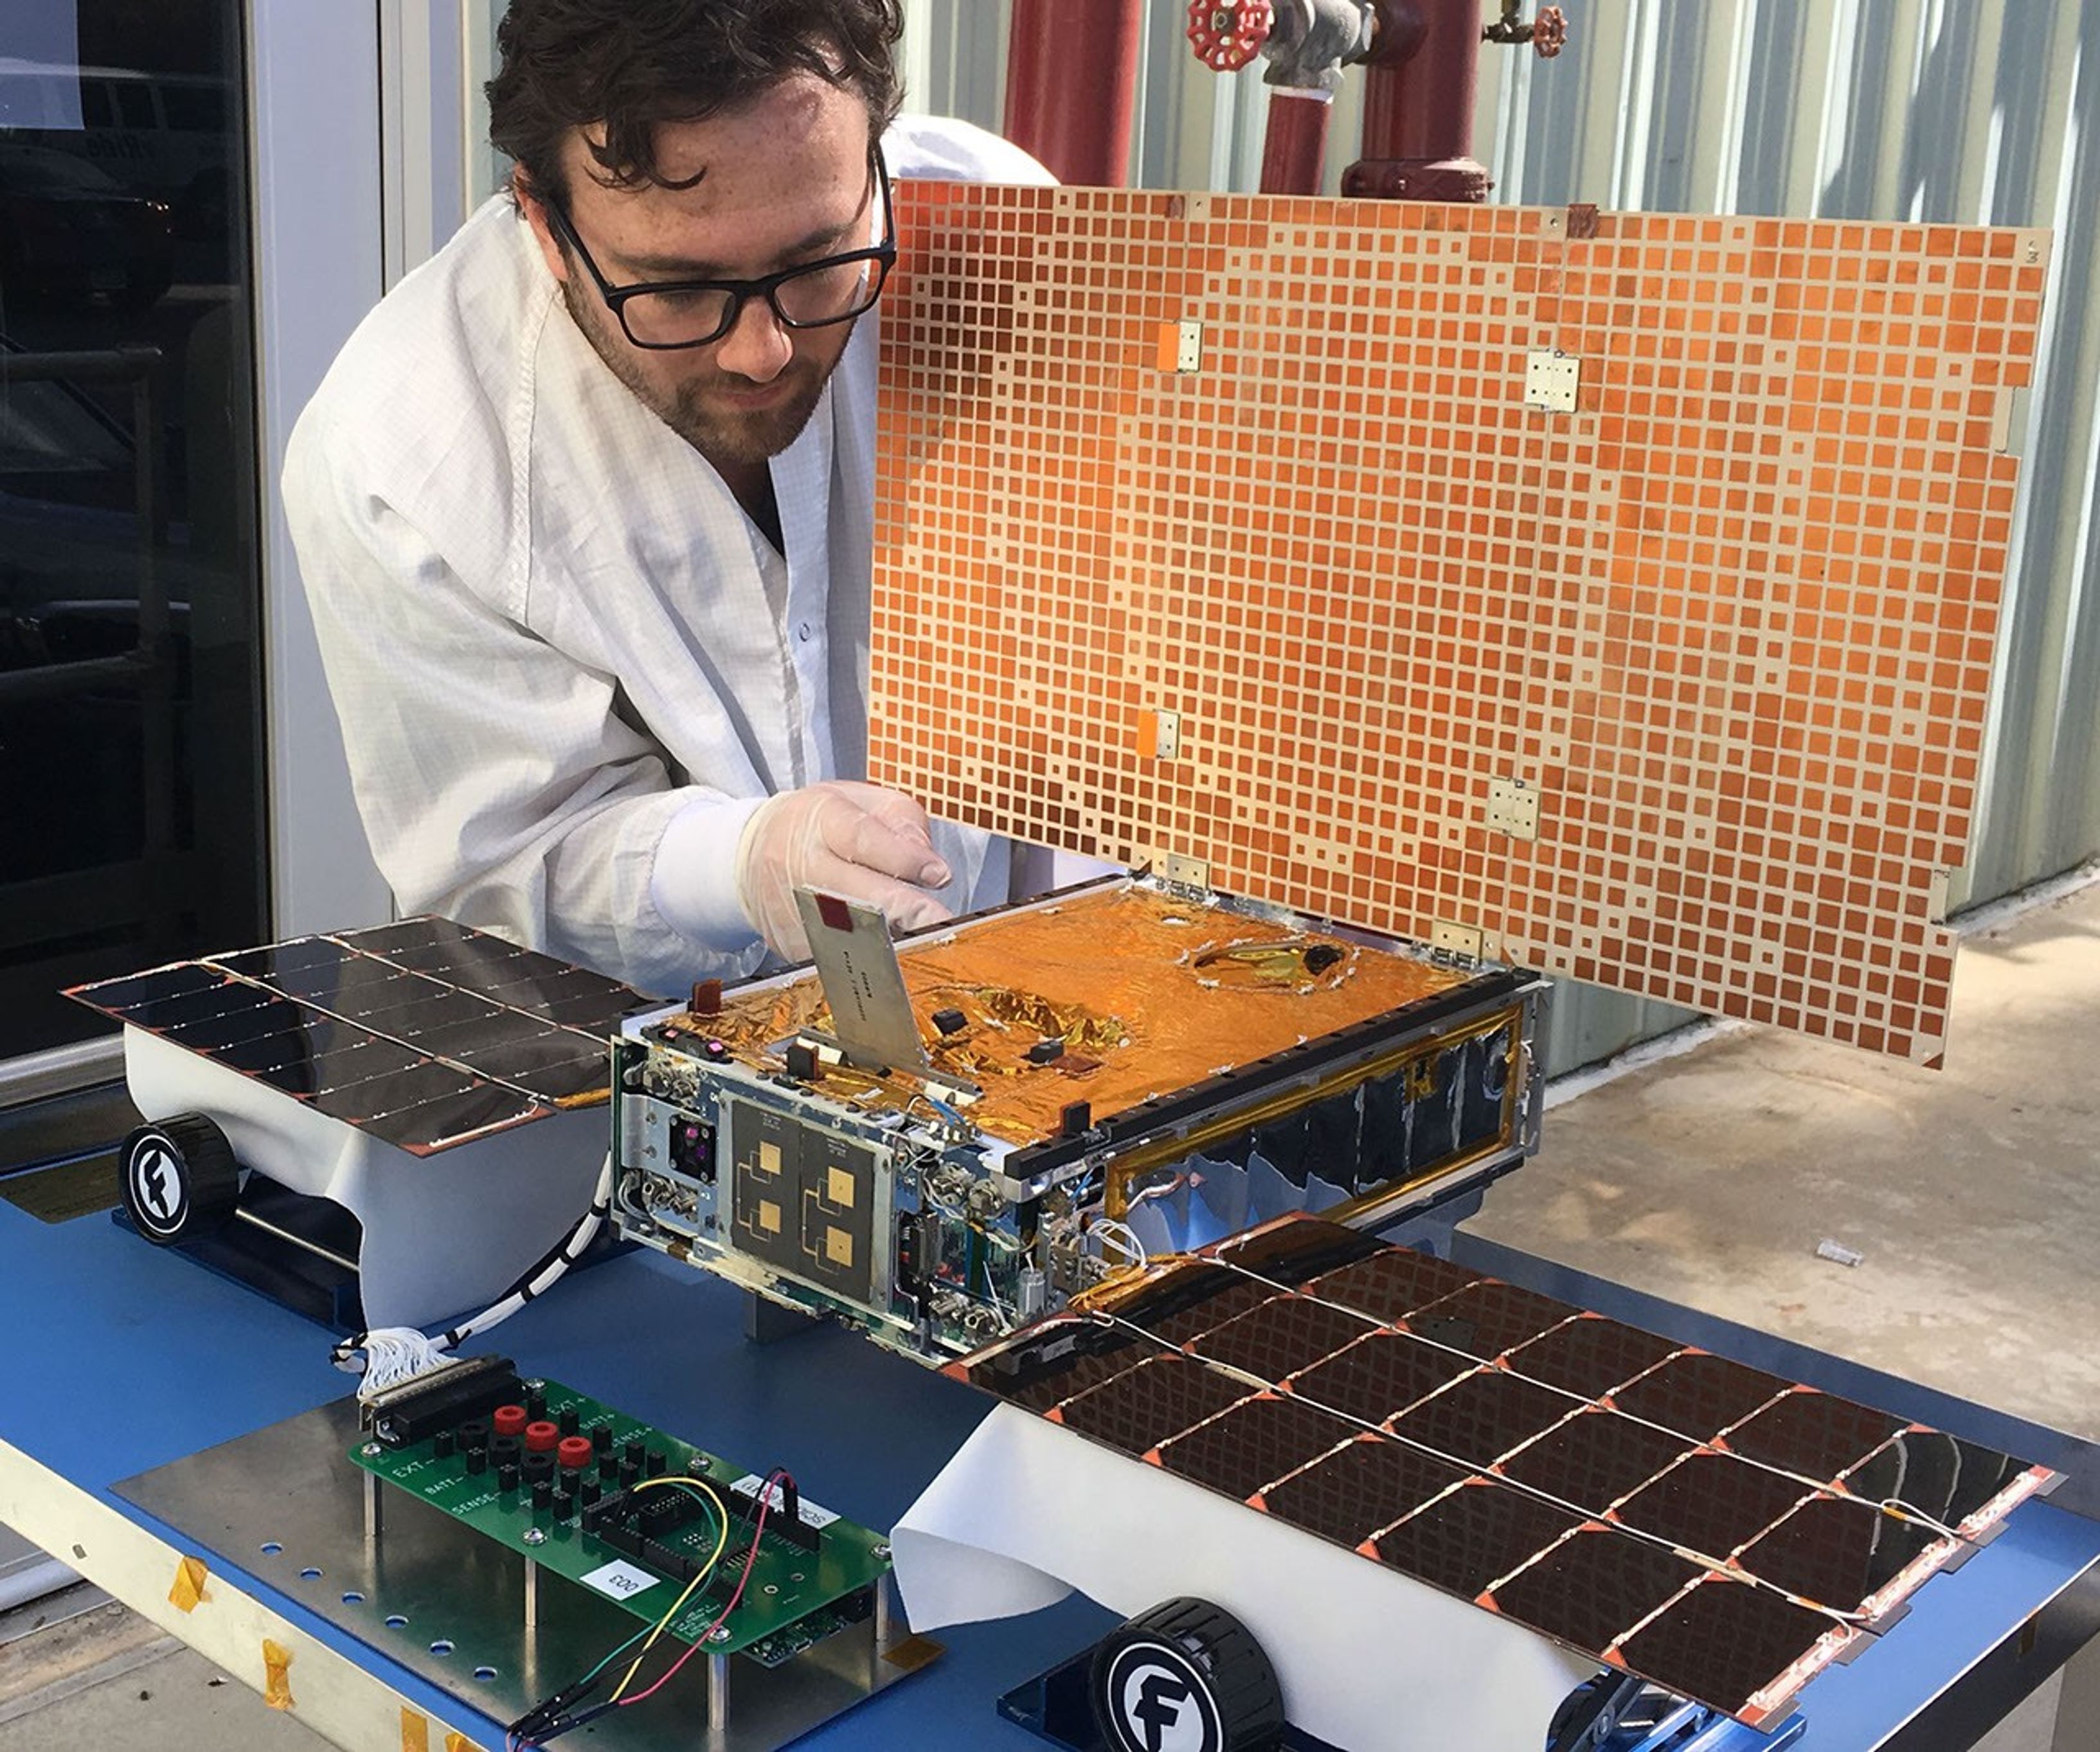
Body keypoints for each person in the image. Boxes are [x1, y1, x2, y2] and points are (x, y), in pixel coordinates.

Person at [283, 0, 1050, 995]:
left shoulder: (1015, 241)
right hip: (663, 1066)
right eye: (679, 291)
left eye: (819, 261)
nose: (763, 349)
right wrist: (739, 866)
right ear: (543, 223)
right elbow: (514, 864)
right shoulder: (405, 455)